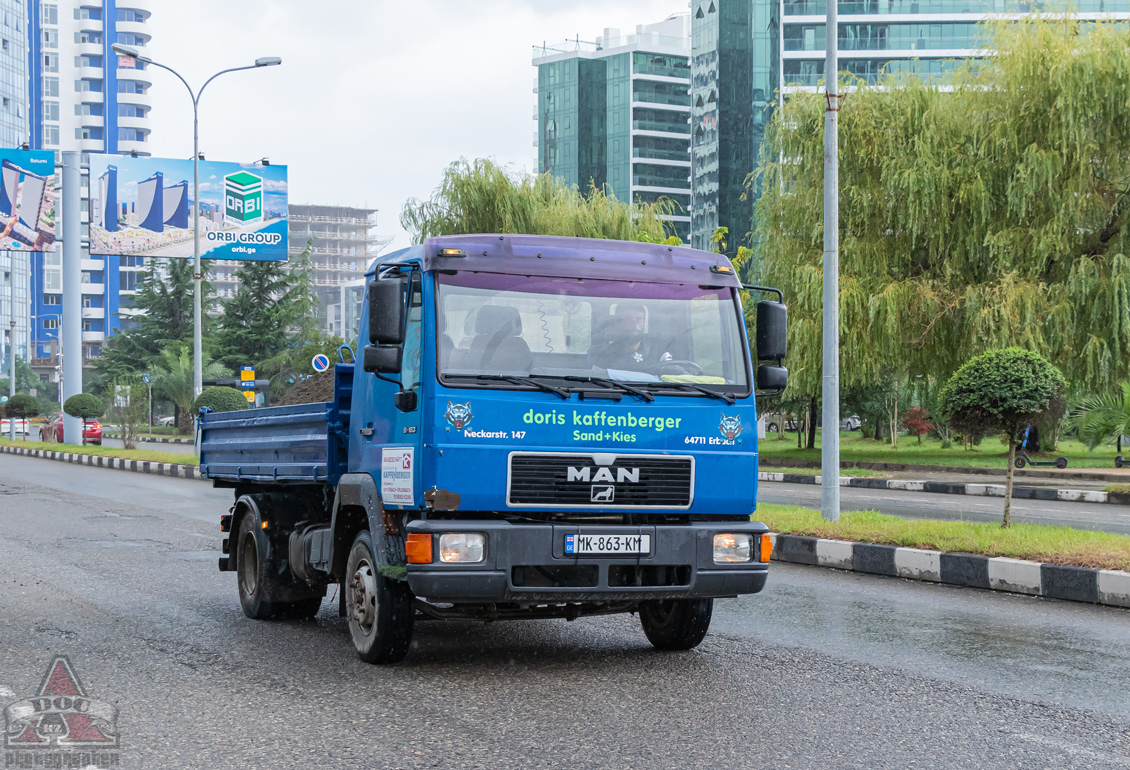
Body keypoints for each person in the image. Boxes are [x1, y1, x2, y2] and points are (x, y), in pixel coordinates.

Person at [591, 302, 670, 373]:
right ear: (618, 322)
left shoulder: (658, 350)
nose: (635, 326)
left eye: (639, 320)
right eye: (629, 320)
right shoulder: (605, 355)